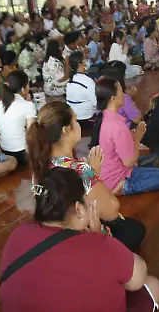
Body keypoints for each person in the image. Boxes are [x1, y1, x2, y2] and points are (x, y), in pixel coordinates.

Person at [0, 166, 159, 312]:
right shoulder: (100, 245)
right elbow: (137, 280)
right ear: (78, 208)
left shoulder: (18, 234)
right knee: (153, 285)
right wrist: (102, 239)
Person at [26, 101, 147, 250]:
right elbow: (112, 211)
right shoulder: (80, 169)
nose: (78, 125)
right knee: (134, 228)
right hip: (82, 237)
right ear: (65, 130)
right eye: (75, 121)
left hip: (54, 235)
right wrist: (94, 174)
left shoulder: (39, 167)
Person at [90, 78, 159, 195]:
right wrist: (137, 139)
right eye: (121, 92)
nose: (124, 95)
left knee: (154, 158)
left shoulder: (105, 117)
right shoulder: (117, 126)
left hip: (110, 171)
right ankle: (125, 188)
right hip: (118, 178)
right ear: (113, 98)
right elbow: (129, 162)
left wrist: (132, 139)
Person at [0, 70, 36, 165]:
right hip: (22, 153)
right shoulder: (28, 105)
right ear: (23, 89)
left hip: (5, 150)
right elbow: (32, 132)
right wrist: (29, 103)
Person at [65, 51, 97, 128]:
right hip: (86, 117)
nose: (87, 60)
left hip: (73, 116)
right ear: (80, 64)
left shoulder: (70, 80)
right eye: (85, 59)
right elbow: (95, 103)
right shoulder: (88, 81)